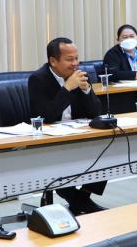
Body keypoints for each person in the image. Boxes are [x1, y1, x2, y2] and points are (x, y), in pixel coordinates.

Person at [28, 38, 107, 213]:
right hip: (48, 139)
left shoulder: (79, 75)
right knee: (63, 159)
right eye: (69, 59)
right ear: (53, 61)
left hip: (75, 133)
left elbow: (95, 113)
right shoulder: (38, 79)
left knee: (107, 146)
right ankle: (76, 198)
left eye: (76, 58)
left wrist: (86, 91)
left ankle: (82, 197)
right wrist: (67, 88)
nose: (75, 63)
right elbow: (46, 116)